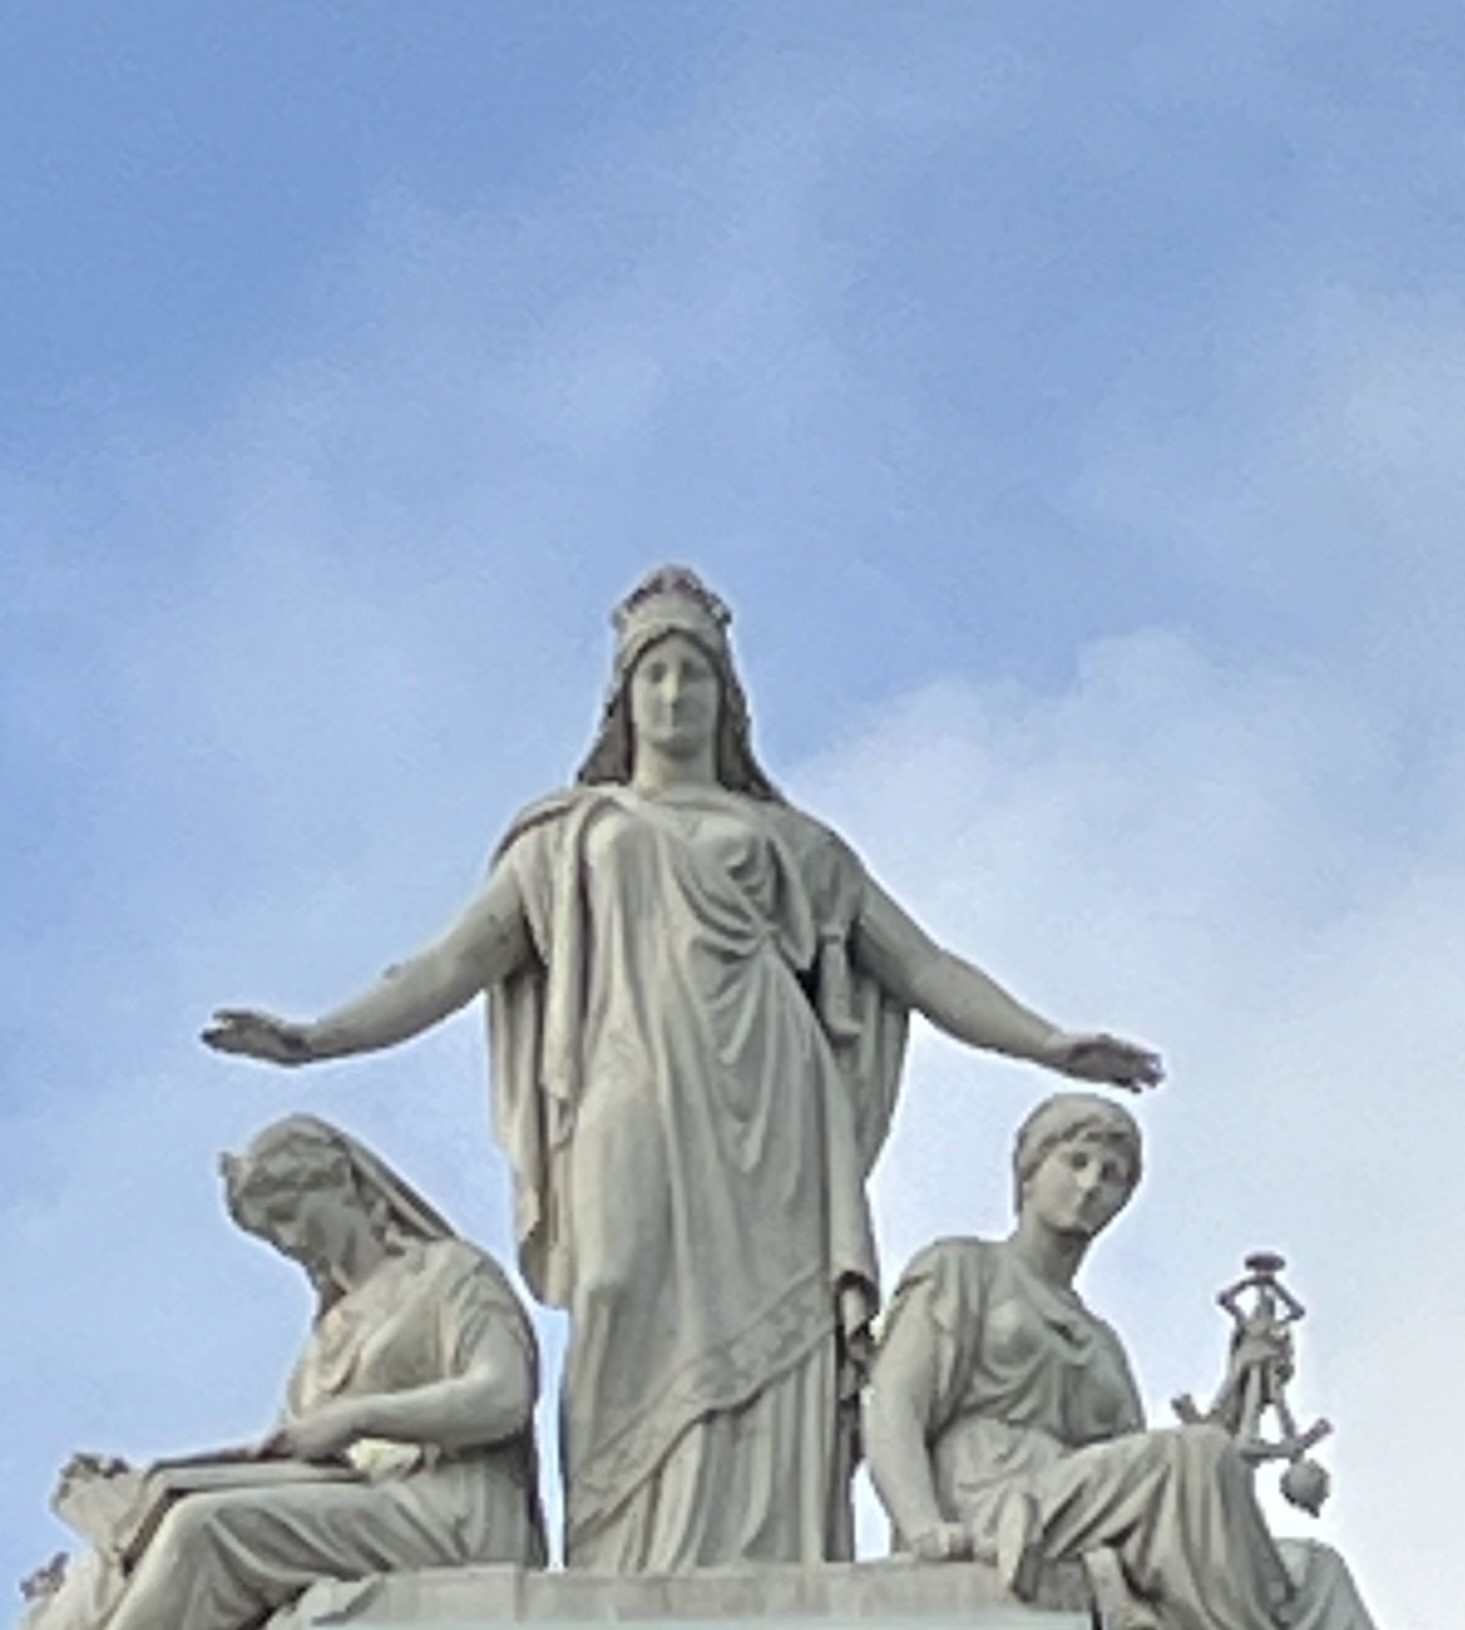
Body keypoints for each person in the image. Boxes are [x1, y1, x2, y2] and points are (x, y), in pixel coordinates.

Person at [202, 569, 1161, 1574]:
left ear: (724, 698)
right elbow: (447, 964)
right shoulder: (569, 835)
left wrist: (1047, 1043)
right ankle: (621, 1569)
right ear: (622, 701)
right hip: (626, 1091)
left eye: (691, 677)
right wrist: (317, 1039)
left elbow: (920, 966)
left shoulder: (795, 844)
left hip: (774, 1103)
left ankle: (776, 1567)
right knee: (615, 1287)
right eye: (652, 678)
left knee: (778, 1338)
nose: (672, 699)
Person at [0, 1116, 542, 1630]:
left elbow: (503, 1395)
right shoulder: (325, 1336)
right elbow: (293, 1471)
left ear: (338, 1182)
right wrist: (140, 1491)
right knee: (117, 1550)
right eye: (268, 1229)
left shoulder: (450, 1274)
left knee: (206, 1529)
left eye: (287, 1213)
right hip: (367, 1507)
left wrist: (359, 1415)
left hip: (446, 1510)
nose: (285, 1239)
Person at [862, 1095, 1465, 1630]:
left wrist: (1241, 1383)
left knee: (1311, 1569)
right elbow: (893, 1404)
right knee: (1197, 1456)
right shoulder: (963, 1268)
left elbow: (1170, 1505)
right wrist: (923, 1526)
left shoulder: (1101, 1341)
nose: (1090, 1184)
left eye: (1111, 1175)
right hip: (998, 1505)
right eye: (1075, 1161)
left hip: (1086, 1515)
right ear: (1027, 1170)